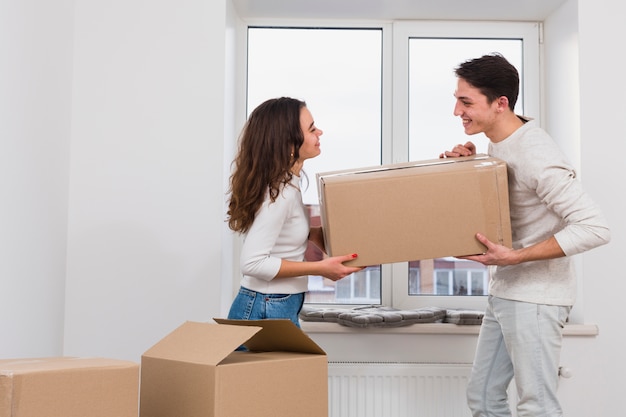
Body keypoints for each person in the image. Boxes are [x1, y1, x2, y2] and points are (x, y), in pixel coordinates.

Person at [440, 53, 611, 417]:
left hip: (536, 297)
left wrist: (515, 256)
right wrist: (470, 166)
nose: (457, 111)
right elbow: (506, 205)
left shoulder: (535, 151)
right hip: (507, 290)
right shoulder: (500, 142)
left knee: (537, 406)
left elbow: (594, 227)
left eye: (466, 101)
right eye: (457, 100)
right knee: (484, 397)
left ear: (500, 104)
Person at [226, 97, 363, 328]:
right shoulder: (280, 192)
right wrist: (321, 268)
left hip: (272, 303)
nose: (320, 132)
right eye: (311, 129)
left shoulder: (288, 183)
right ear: (289, 144)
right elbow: (252, 263)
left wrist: (319, 235)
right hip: (265, 305)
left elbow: (283, 231)